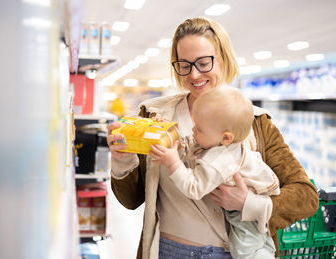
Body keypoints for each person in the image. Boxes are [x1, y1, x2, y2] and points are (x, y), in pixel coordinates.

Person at [107, 17, 319, 259]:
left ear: (224, 58)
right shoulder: (156, 116)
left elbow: (306, 196)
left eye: (203, 62)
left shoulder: (255, 122)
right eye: (184, 65)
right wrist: (122, 159)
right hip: (169, 251)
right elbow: (131, 200)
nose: (194, 75)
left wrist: (248, 203)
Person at [149, 86, 280, 258]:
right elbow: (192, 150)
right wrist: (167, 130)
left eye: (199, 129)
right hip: (248, 210)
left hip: (247, 218)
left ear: (226, 138)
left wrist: (173, 162)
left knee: (247, 251)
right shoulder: (220, 143)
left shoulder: (220, 160)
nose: (192, 130)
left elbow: (194, 188)